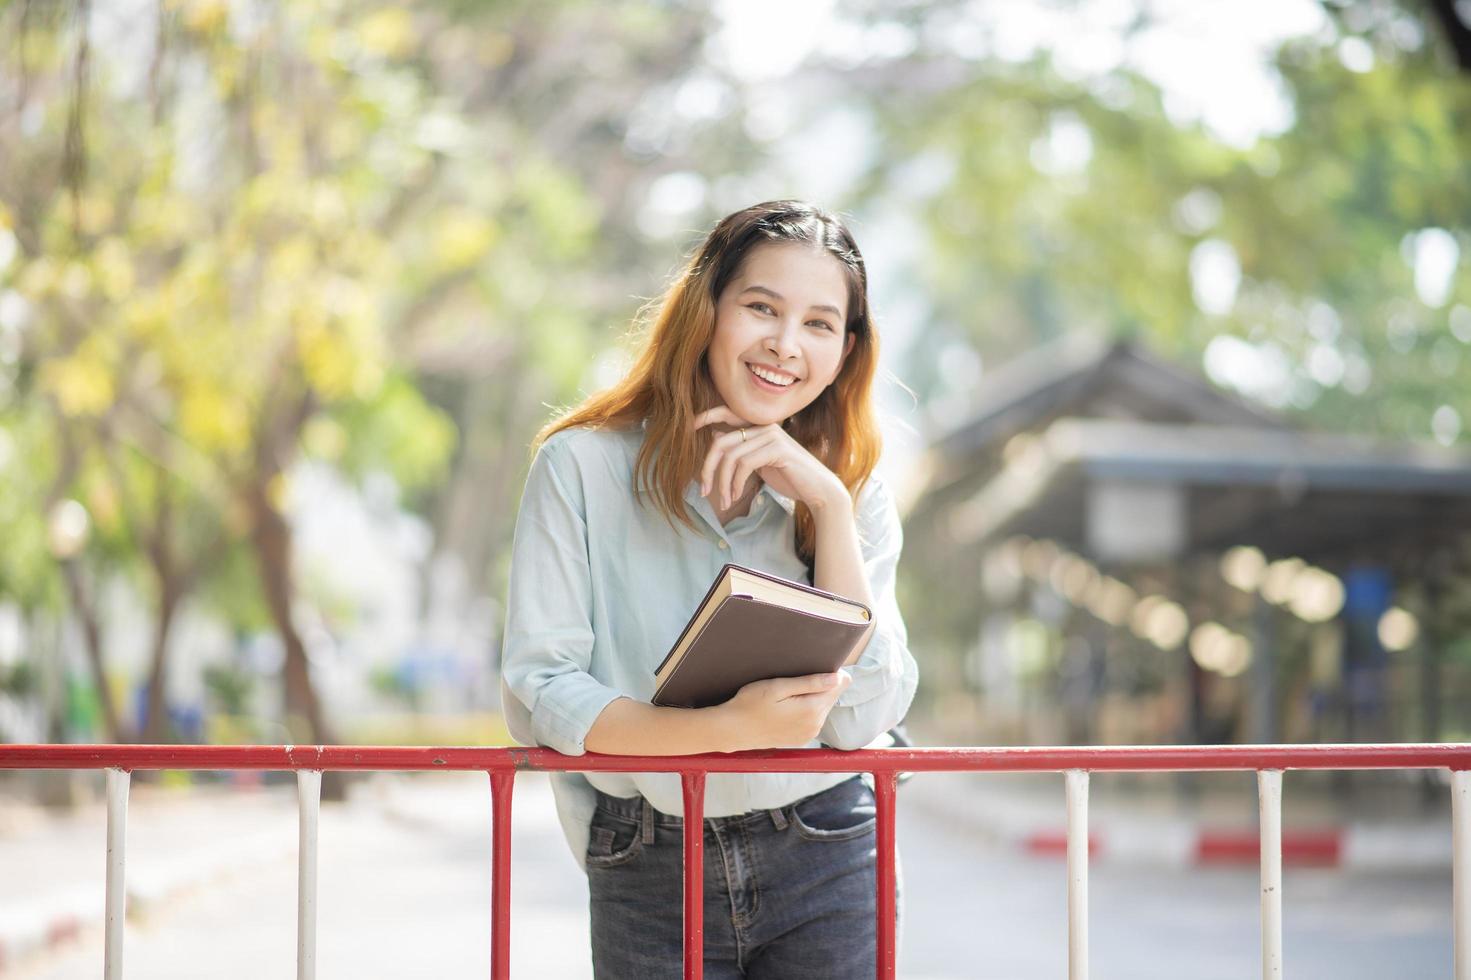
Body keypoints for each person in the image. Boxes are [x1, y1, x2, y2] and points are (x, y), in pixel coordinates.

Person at [499, 199, 918, 979]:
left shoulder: (851, 491)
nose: (784, 346)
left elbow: (862, 714)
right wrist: (724, 726)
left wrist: (827, 508)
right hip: (651, 853)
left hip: (825, 844)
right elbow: (545, 691)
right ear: (708, 309)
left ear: (846, 347)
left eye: (820, 324)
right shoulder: (580, 470)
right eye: (761, 307)